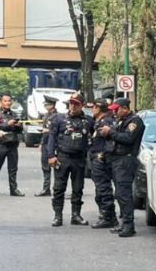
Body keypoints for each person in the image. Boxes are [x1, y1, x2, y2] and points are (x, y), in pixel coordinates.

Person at [98, 98, 145, 237]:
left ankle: (129, 226)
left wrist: (111, 132)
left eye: (117, 109)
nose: (115, 112)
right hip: (117, 160)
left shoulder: (135, 121)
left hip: (126, 160)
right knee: (119, 193)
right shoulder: (122, 121)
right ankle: (124, 223)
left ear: (125, 108)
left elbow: (128, 138)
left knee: (124, 194)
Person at [45, 94, 93, 226]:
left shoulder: (88, 120)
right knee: (59, 188)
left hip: (79, 159)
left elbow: (94, 139)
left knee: (78, 188)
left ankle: (76, 215)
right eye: (71, 103)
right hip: (62, 158)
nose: (73, 106)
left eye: (76, 103)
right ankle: (58, 216)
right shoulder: (59, 119)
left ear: (82, 105)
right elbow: (52, 138)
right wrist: (51, 156)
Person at [90, 100, 118, 229]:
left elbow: (109, 140)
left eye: (94, 107)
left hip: (101, 158)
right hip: (98, 157)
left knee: (103, 189)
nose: (92, 110)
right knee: (101, 188)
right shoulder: (101, 121)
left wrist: (103, 154)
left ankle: (108, 217)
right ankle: (107, 215)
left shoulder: (105, 122)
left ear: (99, 109)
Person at [0, 94, 24, 197]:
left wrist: (18, 126)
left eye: (9, 101)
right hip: (1, 144)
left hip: (13, 144)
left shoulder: (14, 114)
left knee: (13, 169)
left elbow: (19, 130)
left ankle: (13, 189)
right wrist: (7, 124)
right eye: (5, 101)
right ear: (1, 102)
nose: (7, 103)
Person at [36, 96, 60, 197]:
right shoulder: (46, 116)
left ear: (53, 105)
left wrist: (48, 131)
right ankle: (46, 188)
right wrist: (41, 143)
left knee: (57, 167)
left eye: (47, 104)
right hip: (46, 143)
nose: (46, 106)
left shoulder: (58, 117)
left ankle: (57, 188)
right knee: (45, 167)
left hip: (55, 144)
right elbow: (44, 132)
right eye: (45, 104)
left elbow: (58, 132)